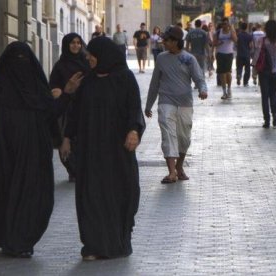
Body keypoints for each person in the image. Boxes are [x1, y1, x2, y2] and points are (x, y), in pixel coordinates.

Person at [0, 41, 75, 258]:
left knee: (33, 194)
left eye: (24, 59)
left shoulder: (37, 86)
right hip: (2, 151)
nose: (20, 64)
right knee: (5, 193)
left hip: (34, 152)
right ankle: (10, 238)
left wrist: (66, 94)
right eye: (16, 59)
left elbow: (51, 112)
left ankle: (22, 238)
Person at [60, 37, 145, 260]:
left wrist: (134, 131)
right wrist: (67, 137)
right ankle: (93, 246)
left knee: (120, 194)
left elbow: (135, 109)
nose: (88, 58)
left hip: (118, 152)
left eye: (92, 56)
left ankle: (118, 243)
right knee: (91, 196)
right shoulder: (87, 81)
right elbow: (75, 113)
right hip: (90, 151)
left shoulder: (125, 79)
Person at [144, 26, 208, 184]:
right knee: (168, 135)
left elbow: (199, 78)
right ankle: (171, 172)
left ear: (175, 41)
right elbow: (154, 84)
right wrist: (148, 105)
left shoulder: (188, 58)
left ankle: (179, 167)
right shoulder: (161, 58)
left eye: (166, 40)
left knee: (184, 138)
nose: (163, 42)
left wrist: (203, 90)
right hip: (166, 101)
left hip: (185, 103)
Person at [49, 33, 90, 182]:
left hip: (84, 107)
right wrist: (58, 91)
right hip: (66, 107)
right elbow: (53, 84)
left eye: (79, 43)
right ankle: (72, 170)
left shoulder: (87, 63)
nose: (76, 46)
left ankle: (81, 169)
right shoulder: (60, 65)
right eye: (72, 43)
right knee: (65, 139)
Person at [253, 20, 276, 128]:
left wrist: (254, 68)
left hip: (264, 71)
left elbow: (257, 54)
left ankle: (267, 120)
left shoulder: (263, 40)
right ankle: (275, 116)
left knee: (265, 96)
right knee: (273, 94)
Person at [213, 17, 237, 99]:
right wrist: (218, 43)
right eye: (223, 24)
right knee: (222, 74)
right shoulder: (218, 32)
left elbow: (235, 40)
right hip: (220, 54)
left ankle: (229, 89)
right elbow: (213, 43)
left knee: (228, 72)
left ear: (228, 24)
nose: (224, 25)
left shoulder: (231, 32)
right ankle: (224, 92)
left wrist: (232, 28)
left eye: (226, 24)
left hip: (229, 54)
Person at [236, 22, 253, 87]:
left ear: (241, 27)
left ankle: (239, 75)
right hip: (246, 55)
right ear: (246, 27)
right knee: (247, 69)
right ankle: (245, 81)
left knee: (239, 67)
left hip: (239, 54)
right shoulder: (249, 36)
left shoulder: (238, 35)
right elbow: (251, 45)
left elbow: (236, 43)